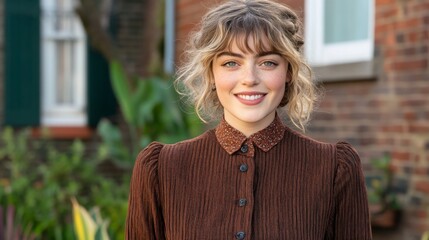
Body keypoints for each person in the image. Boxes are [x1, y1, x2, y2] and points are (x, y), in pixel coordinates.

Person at [126, 0, 372, 239]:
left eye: (267, 62)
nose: (249, 78)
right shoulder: (161, 170)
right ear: (212, 73)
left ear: (288, 71)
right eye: (231, 63)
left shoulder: (335, 169)